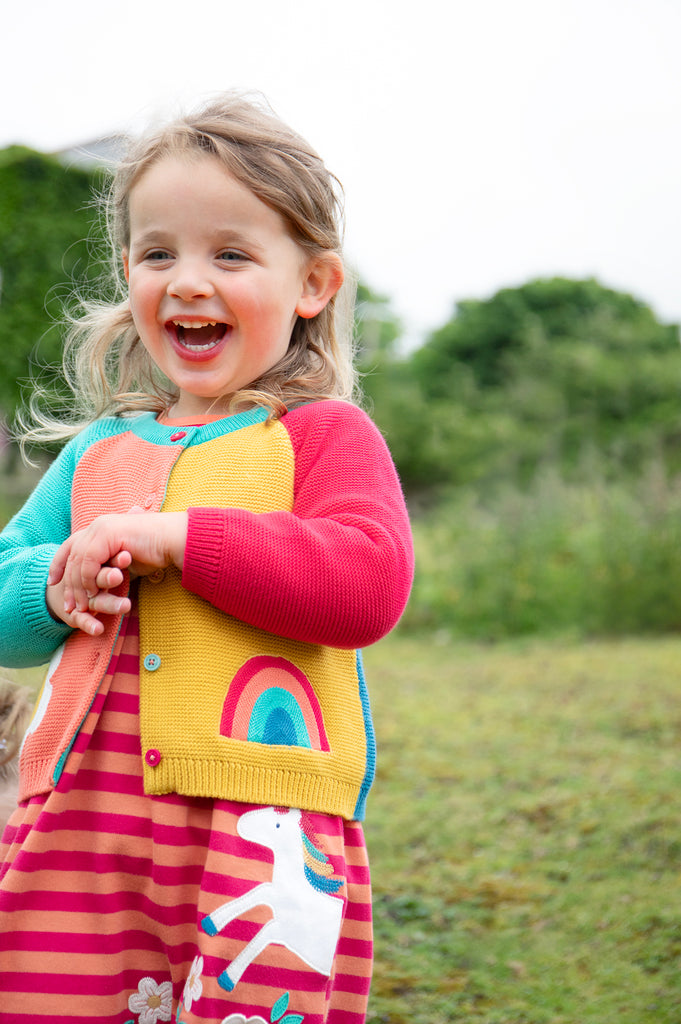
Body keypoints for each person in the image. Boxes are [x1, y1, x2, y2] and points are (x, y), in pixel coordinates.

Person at [0, 93, 413, 1024]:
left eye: (230, 254)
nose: (188, 280)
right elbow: (1, 593)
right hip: (80, 821)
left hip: (262, 833)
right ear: (127, 274)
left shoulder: (318, 434)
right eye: (158, 253)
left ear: (312, 284)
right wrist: (54, 582)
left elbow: (367, 582)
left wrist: (181, 540)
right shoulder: (98, 451)